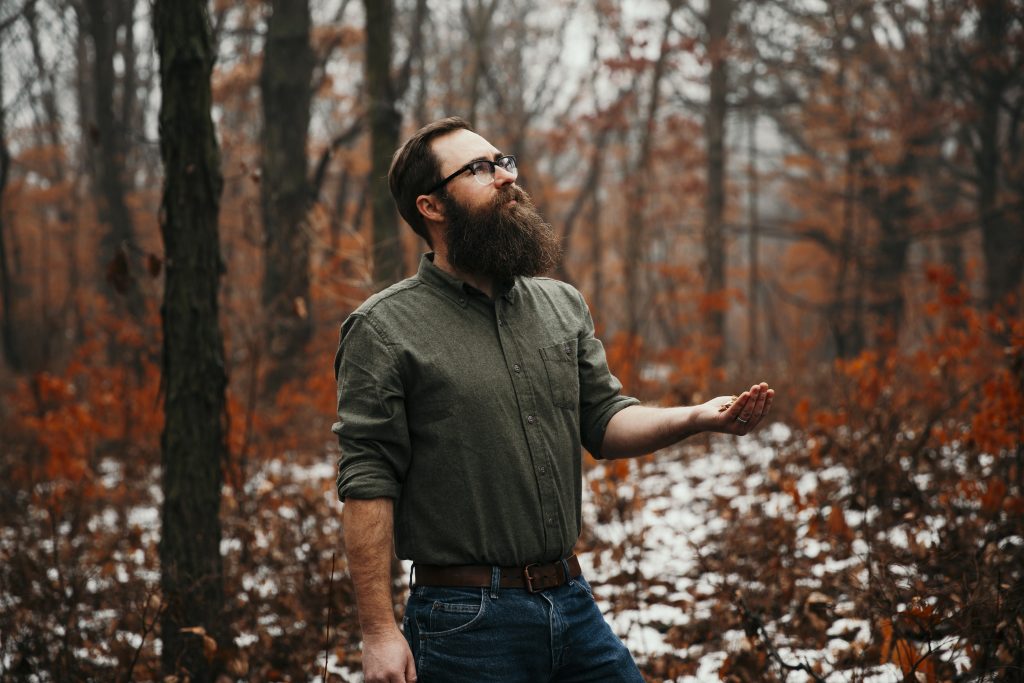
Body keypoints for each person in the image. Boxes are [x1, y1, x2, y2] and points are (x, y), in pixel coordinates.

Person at [333, 116, 774, 683]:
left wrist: (695, 418)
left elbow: (605, 421)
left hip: (572, 601)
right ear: (432, 207)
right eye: (479, 169)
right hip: (464, 623)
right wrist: (378, 631)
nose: (505, 178)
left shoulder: (560, 304)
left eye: (504, 161)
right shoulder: (384, 327)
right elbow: (367, 479)